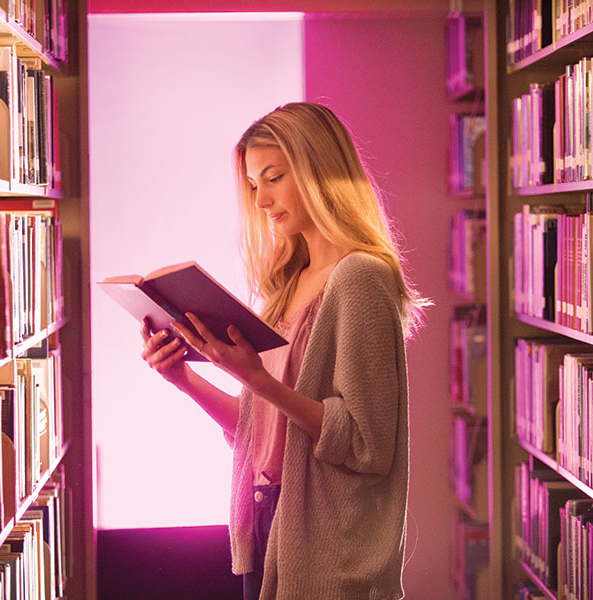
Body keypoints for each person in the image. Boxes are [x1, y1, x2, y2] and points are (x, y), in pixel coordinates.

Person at [139, 101, 428, 600]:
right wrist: (182, 379)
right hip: (268, 521)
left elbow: (365, 443)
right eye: (254, 185)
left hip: (329, 543)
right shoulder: (287, 284)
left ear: (319, 170)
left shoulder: (360, 277)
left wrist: (258, 379)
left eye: (272, 178)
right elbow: (261, 433)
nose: (261, 200)